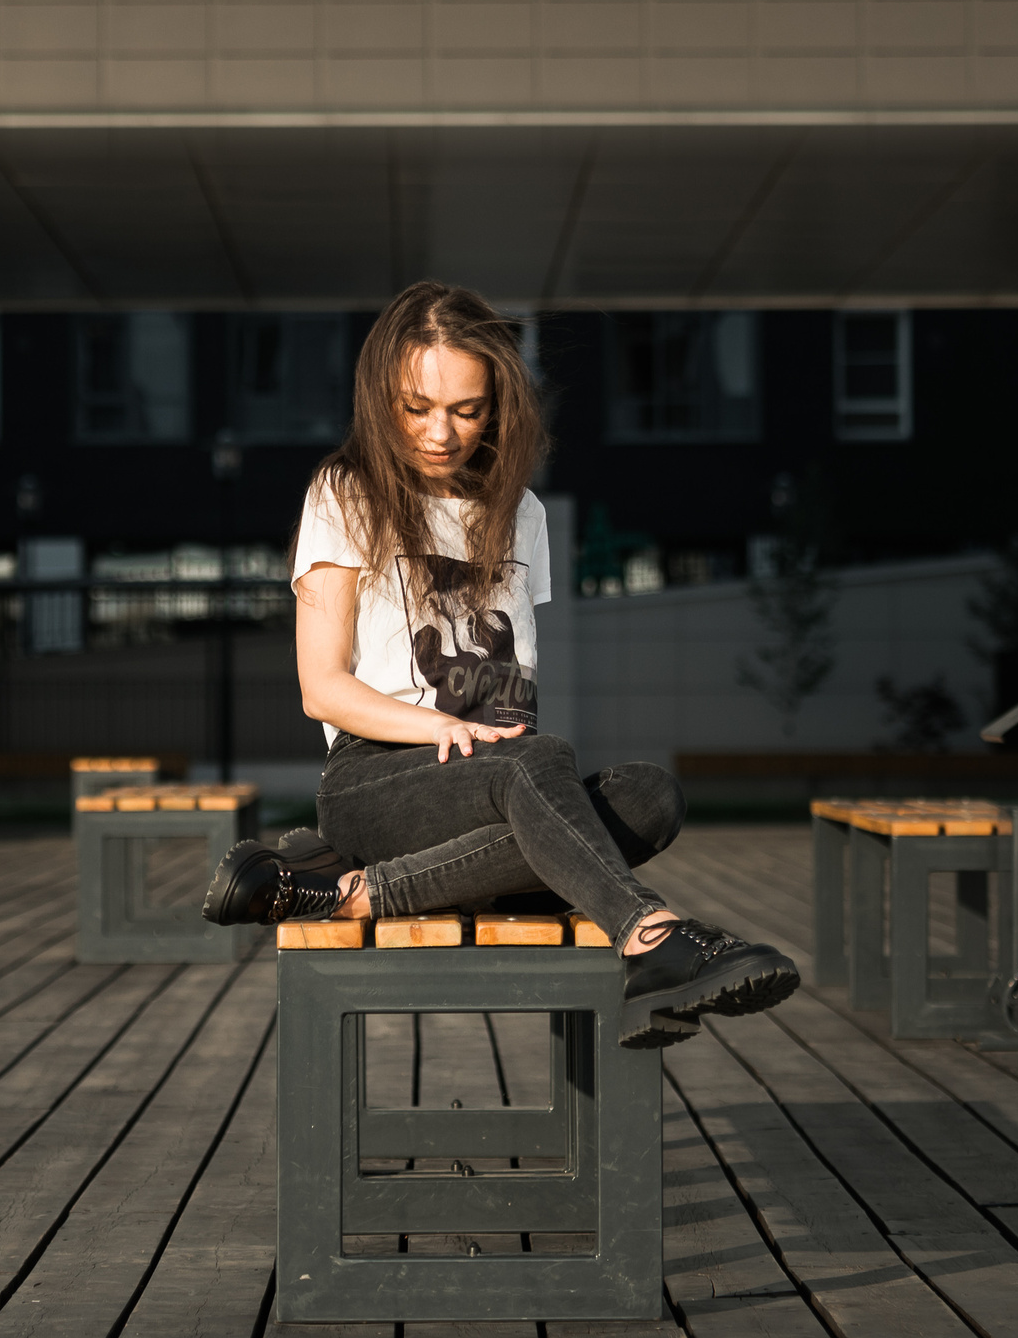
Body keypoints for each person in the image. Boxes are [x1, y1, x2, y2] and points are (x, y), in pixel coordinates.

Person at [201, 280, 799, 1049]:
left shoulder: (522, 511)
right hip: (378, 779)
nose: (440, 432)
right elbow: (323, 688)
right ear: (381, 394)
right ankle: (652, 937)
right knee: (534, 763)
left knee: (650, 796)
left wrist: (496, 749)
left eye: (466, 409)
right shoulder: (345, 493)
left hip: (501, 780)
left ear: (499, 405)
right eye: (416, 407)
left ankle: (352, 894)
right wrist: (441, 725)